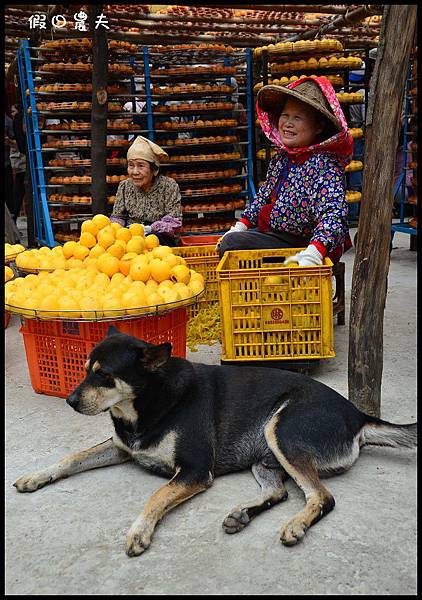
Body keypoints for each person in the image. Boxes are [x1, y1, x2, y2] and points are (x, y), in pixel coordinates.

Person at [218, 76, 354, 266]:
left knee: (232, 244)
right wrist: (242, 225)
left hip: (303, 242)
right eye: (285, 115)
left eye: (297, 117)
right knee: (230, 240)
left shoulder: (324, 166)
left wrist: (315, 251)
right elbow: (263, 198)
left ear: (318, 127)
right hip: (277, 234)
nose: (288, 123)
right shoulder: (282, 159)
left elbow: (334, 214)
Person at [110, 136, 182, 246]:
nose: (135, 172)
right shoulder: (124, 186)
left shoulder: (169, 186)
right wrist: (119, 229)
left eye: (141, 166)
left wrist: (151, 229)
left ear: (154, 170)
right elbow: (118, 217)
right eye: (131, 165)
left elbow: (174, 223)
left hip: (161, 243)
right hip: (131, 242)